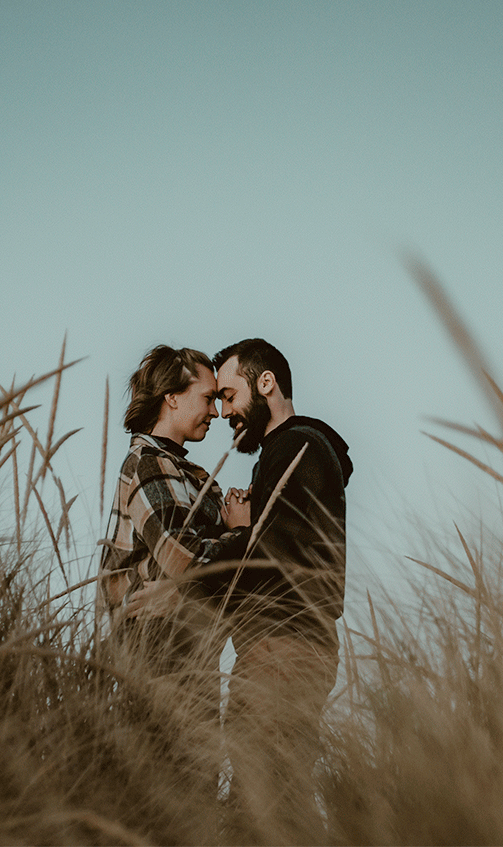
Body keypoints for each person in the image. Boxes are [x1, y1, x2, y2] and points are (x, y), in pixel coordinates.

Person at [195, 337, 353, 844]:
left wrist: (238, 533)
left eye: (228, 395)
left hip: (281, 650)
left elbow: (274, 561)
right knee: (280, 792)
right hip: (290, 649)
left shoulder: (294, 446)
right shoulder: (292, 450)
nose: (223, 412)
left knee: (262, 800)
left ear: (266, 384)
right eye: (216, 400)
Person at [96, 345, 245, 723]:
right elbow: (188, 559)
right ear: (173, 397)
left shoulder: (181, 471)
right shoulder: (151, 464)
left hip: (185, 659)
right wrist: (242, 532)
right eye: (208, 398)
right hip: (159, 661)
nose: (215, 411)